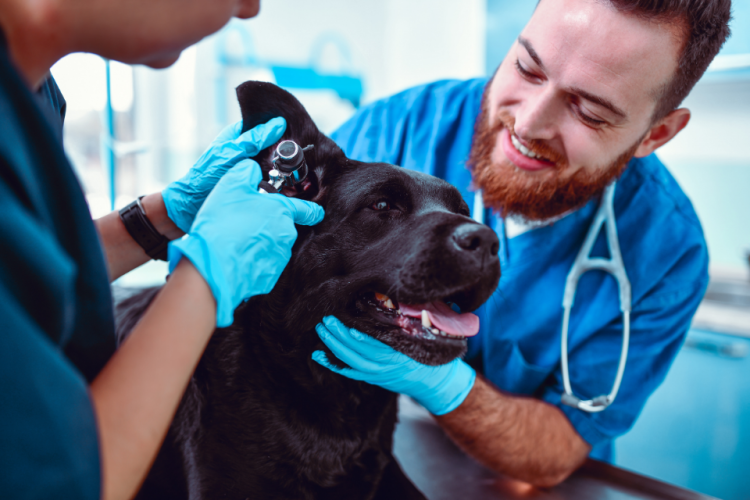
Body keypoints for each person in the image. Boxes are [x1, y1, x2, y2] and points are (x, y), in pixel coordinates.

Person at [313, 0, 731, 488]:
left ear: (654, 134)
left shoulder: (667, 255)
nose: (529, 124)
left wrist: (444, 387)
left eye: (590, 111)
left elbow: (558, 449)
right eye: (528, 68)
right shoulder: (399, 130)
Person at [0, 0, 325, 499]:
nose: (251, 10)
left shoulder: (35, 93)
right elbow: (61, 481)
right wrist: (204, 281)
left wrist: (162, 217)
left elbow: (21, 277)